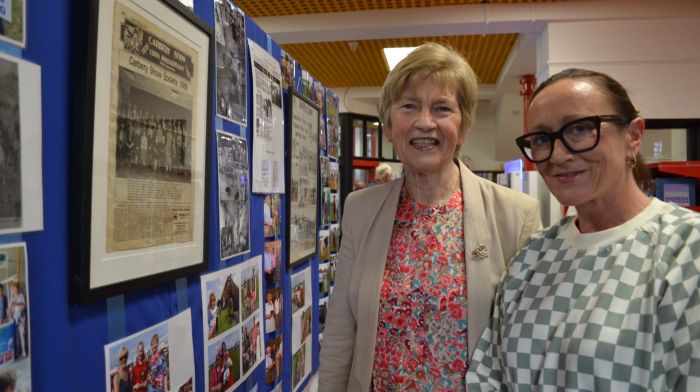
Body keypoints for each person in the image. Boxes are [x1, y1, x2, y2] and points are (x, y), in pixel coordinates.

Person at [318, 42, 542, 391]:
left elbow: (529, 348)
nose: (425, 122)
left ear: (463, 127)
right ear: (390, 126)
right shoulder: (359, 210)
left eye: (441, 108)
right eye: (409, 106)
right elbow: (340, 333)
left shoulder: (515, 216)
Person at [466, 68, 700, 391]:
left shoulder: (686, 250)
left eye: (579, 129)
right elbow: (488, 376)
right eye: (541, 139)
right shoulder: (531, 258)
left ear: (633, 135)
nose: (558, 155)